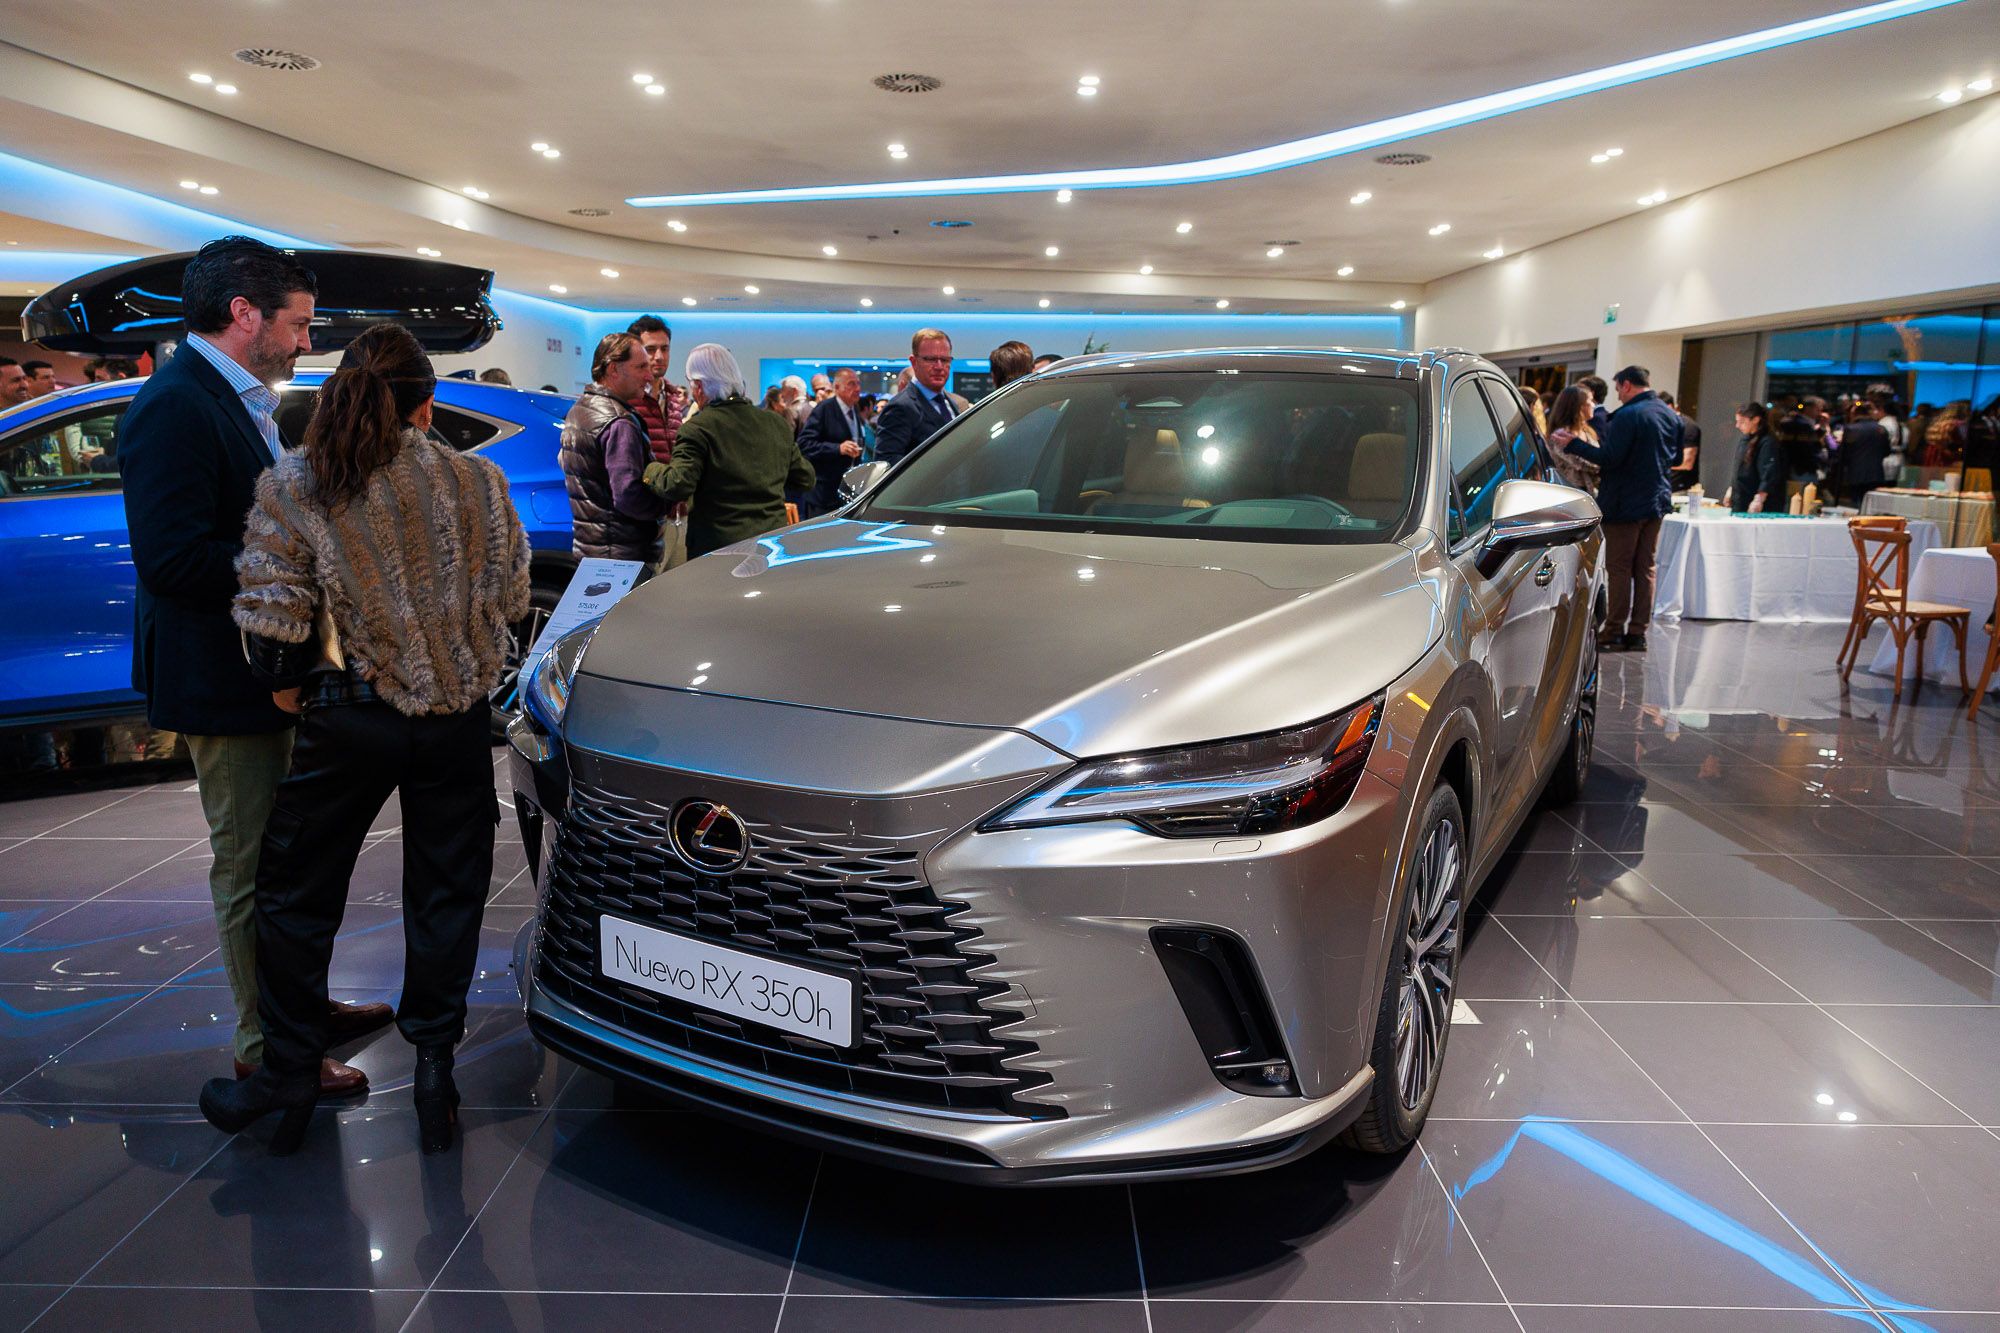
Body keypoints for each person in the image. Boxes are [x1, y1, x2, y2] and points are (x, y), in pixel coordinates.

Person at [199, 322, 531, 1157]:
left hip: (347, 714)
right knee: (447, 890)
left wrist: (294, 679)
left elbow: (274, 628)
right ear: (427, 403)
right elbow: (512, 595)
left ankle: (286, 1070)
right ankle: (433, 1068)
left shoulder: (299, 480)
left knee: (293, 889)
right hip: (453, 719)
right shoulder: (477, 478)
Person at [118, 236, 387, 1099]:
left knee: (285, 857)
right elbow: (172, 559)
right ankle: (268, 1044)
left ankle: (297, 1007)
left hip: (262, 669)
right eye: (299, 325)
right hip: (220, 677)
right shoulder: (175, 406)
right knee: (249, 866)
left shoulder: (234, 400)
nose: (306, 342)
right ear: (245, 314)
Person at [641, 343, 814, 559]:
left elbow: (677, 484)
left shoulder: (698, 428)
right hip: (771, 544)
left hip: (718, 549)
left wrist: (649, 469)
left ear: (699, 386)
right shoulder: (775, 423)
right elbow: (805, 479)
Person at [1561, 365, 1677, 652]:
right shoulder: (1669, 414)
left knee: (1620, 569)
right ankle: (1637, 633)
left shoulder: (1628, 415)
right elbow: (1670, 458)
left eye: (1617, 390)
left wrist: (1573, 444)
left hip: (1625, 504)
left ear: (1626, 385)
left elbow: (1610, 459)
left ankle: (1613, 630)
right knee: (1646, 568)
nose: (1618, 396)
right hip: (1656, 502)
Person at [560, 332, 667, 567]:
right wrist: (665, 505)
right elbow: (628, 496)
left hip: (593, 552)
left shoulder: (580, 410)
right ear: (613, 369)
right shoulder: (619, 422)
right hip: (623, 558)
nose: (649, 376)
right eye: (640, 367)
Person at [625, 315, 690, 569]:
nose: (659, 356)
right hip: (646, 520)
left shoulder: (674, 397)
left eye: (664, 349)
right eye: (650, 349)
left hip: (679, 516)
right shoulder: (629, 400)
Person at [874, 328, 971, 465]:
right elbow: (886, 465)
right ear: (914, 362)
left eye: (944, 360)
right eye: (930, 359)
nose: (939, 366)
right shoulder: (900, 407)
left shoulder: (951, 404)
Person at [796, 367, 867, 515]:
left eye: (858, 384)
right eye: (851, 384)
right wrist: (837, 448)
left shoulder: (854, 410)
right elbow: (804, 444)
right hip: (824, 494)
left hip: (847, 492)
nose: (857, 388)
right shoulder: (824, 409)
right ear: (836, 387)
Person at [1544, 385, 1601, 494]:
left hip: (1589, 493)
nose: (1593, 404)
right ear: (1578, 406)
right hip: (1569, 495)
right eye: (1590, 400)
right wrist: (1604, 461)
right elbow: (1581, 463)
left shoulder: (1587, 431)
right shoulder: (1560, 435)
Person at [1729, 401, 1784, 513]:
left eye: (1742, 422)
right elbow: (1738, 468)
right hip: (1740, 497)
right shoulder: (1745, 439)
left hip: (1755, 499)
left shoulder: (1767, 442)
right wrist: (1731, 490)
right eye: (1737, 422)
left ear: (1755, 420)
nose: (1737, 426)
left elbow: (1768, 472)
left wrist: (1759, 499)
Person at [1835, 399, 1892, 506]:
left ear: (1854, 414)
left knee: (1857, 505)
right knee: (1873, 506)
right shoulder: (1881, 429)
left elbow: (1843, 453)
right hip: (1876, 473)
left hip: (1856, 473)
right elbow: (1887, 451)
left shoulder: (1851, 429)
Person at [1658, 390, 1702, 490]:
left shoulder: (1688, 427)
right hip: (1663, 486)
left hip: (1681, 489)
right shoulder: (1663, 425)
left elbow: (1687, 462)